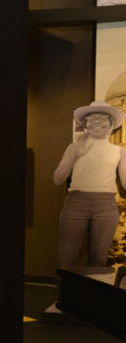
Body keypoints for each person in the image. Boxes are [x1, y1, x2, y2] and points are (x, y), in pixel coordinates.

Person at [53, 100, 126, 268]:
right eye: (92, 119)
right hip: (75, 202)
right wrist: (74, 154)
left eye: (102, 118)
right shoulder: (74, 148)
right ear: (85, 124)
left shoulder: (120, 151)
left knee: (99, 260)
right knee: (66, 258)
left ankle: (93, 295)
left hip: (106, 205)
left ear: (111, 123)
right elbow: (57, 179)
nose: (97, 122)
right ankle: (66, 294)